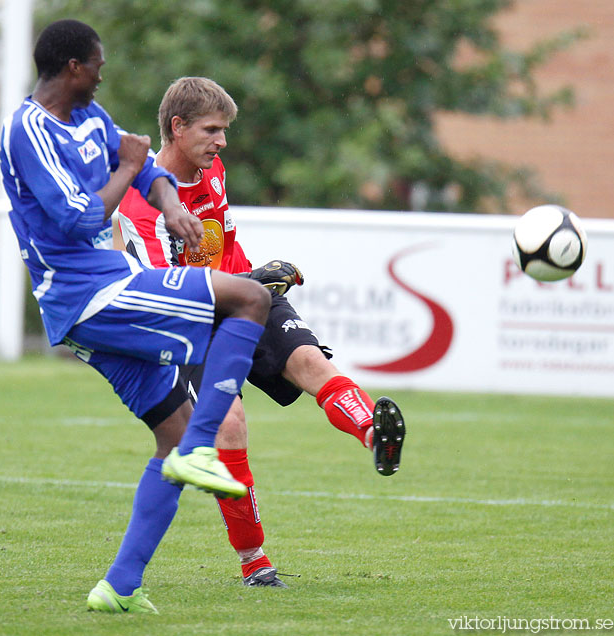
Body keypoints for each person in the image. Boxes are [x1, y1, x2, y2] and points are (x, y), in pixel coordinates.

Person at [0, 22, 272, 614]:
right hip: (86, 295)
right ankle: (206, 445)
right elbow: (77, 217)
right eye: (96, 64)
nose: (102, 74)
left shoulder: (91, 119)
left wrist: (170, 203)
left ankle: (119, 585)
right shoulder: (28, 129)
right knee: (250, 299)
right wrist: (128, 171)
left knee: (169, 436)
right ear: (72, 66)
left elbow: (148, 170)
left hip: (104, 289)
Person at [116, 76, 407, 588]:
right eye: (212, 130)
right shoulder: (142, 203)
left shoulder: (212, 169)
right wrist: (247, 280)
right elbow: (165, 289)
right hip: (188, 321)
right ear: (177, 128)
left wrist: (253, 280)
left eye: (225, 130)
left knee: (313, 363)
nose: (222, 141)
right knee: (229, 426)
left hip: (245, 297)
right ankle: (254, 561)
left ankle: (373, 433)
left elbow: (223, 242)